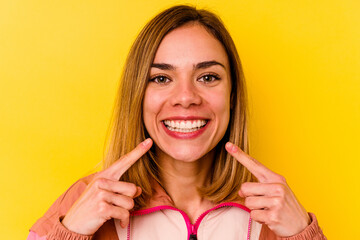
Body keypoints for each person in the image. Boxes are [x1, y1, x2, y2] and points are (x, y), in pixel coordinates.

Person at [28, 5, 326, 240]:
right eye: (161, 78)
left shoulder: (271, 210)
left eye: (208, 77)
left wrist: (302, 235)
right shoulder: (86, 200)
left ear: (233, 95)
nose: (186, 97)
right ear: (138, 97)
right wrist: (70, 233)